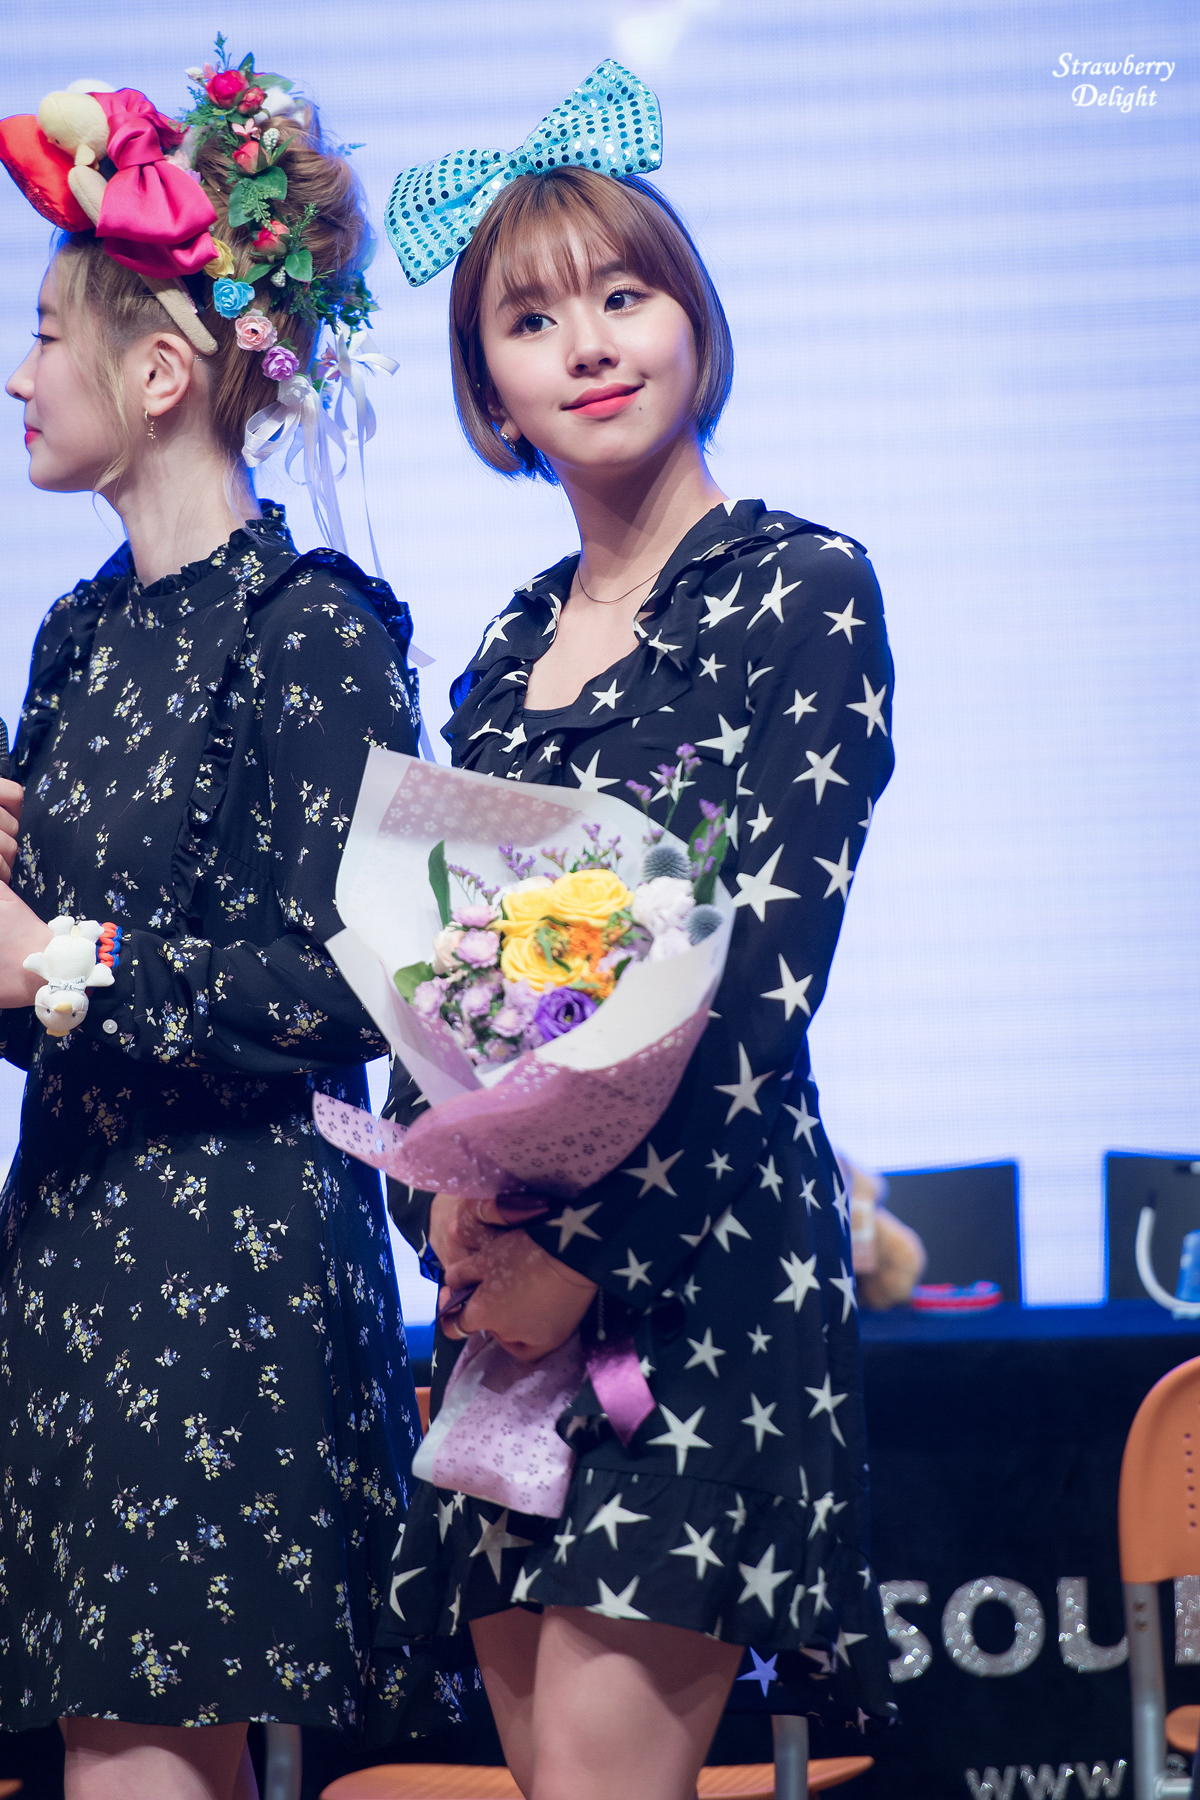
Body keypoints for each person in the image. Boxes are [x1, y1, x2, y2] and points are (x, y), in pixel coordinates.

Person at [380, 63, 898, 1800]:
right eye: (532, 320)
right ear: (492, 390)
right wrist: (448, 1210)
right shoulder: (500, 651)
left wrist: (584, 1257)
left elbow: (760, 980)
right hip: (505, 1314)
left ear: (695, 322)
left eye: (624, 295)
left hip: (699, 1278)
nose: (589, 345)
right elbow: (448, 982)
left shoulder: (800, 589)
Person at [0, 55, 439, 1800]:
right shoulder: (74, 637)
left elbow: (353, 986)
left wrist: (66, 960)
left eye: (47, 333)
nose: (20, 372)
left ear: (163, 372)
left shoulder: (314, 625)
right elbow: (25, 986)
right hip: (71, 1246)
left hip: (236, 1267)